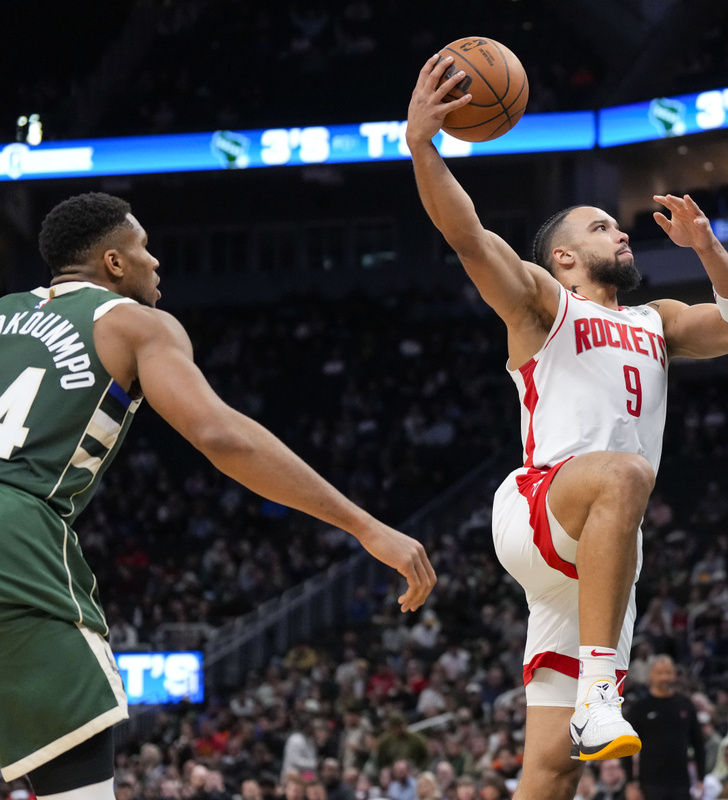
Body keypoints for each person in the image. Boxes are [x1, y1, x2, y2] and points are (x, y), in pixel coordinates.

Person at [405, 53, 728, 800]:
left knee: (552, 769)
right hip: (543, 505)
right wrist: (422, 148)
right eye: (604, 225)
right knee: (627, 470)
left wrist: (707, 248)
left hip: (603, 551)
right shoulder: (544, 305)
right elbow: (470, 237)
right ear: (564, 258)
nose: (623, 233)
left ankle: (587, 710)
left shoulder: (656, 321)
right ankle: (601, 697)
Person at [0, 193, 436, 800]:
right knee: (76, 752)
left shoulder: (3, 312)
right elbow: (221, 435)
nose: (156, 263)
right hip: (17, 528)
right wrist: (365, 525)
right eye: (143, 249)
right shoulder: (135, 323)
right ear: (113, 263)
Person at [624, 656, 706, 800]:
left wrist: (700, 779)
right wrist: (630, 783)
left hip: (681, 782)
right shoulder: (639, 707)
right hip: (650, 783)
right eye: (660, 673)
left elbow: (698, 743)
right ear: (650, 675)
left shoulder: (686, 704)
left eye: (668, 672)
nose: (665, 677)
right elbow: (626, 747)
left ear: (674, 674)